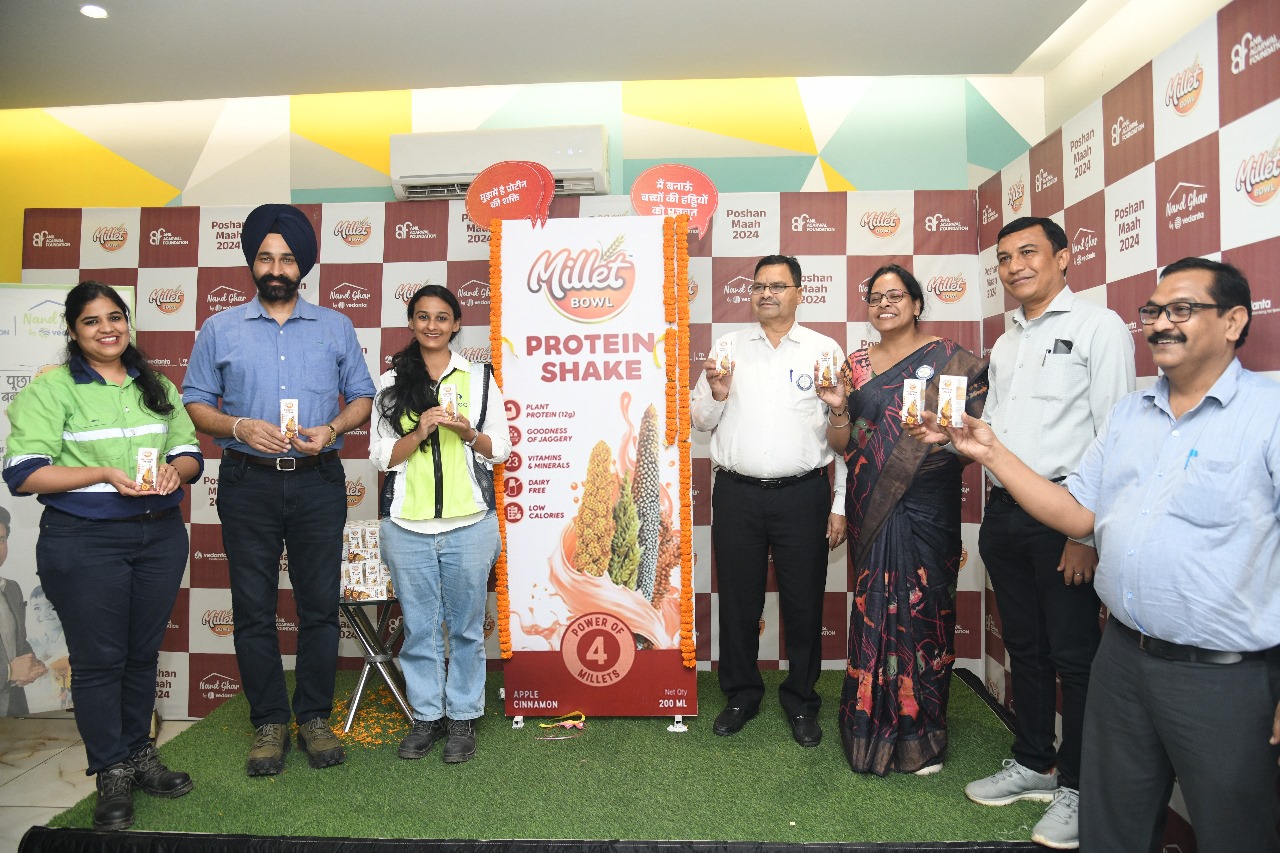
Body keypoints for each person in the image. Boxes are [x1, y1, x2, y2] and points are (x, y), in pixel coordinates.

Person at [915, 257, 1280, 853]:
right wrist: (990, 453)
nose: (1161, 323)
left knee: (1234, 833)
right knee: (1113, 830)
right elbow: (1078, 513)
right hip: (1124, 659)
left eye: (1183, 310)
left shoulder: (1269, 415)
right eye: (1154, 311)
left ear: (1235, 321)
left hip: (1224, 677)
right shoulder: (1130, 414)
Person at [182, 204, 375, 777]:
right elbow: (196, 402)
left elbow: (362, 397)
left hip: (318, 481)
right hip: (247, 482)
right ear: (251, 262)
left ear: (302, 266)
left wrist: (332, 429)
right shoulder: (219, 328)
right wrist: (239, 426)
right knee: (252, 610)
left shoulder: (336, 326)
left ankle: (313, 717)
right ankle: (268, 721)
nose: (275, 268)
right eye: (265, 258)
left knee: (319, 608)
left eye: (287, 258)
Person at [959, 216, 1134, 849]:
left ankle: (1081, 789)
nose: (1015, 267)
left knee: (1074, 657)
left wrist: (1085, 535)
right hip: (1005, 512)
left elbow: (1116, 434)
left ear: (1063, 257)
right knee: (1025, 647)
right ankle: (1034, 761)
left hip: (1066, 515)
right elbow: (1000, 433)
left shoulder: (1099, 327)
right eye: (1004, 259)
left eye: (1028, 253)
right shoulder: (1007, 340)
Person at [3, 282, 202, 831]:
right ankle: (110, 769)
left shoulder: (155, 383)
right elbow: (24, 474)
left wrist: (174, 471)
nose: (107, 329)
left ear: (127, 323)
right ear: (72, 331)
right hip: (84, 539)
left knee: (141, 654)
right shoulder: (53, 388)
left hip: (159, 536)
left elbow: (189, 452)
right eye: (92, 321)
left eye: (115, 317)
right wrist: (104, 473)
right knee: (98, 661)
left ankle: (139, 755)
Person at [817, 265, 987, 776]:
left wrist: (915, 466)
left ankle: (920, 732)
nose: (884, 304)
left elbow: (960, 443)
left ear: (916, 304)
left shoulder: (951, 360)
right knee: (872, 610)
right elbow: (843, 444)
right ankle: (867, 725)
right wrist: (838, 408)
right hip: (871, 503)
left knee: (925, 610)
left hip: (929, 506)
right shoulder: (855, 365)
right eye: (875, 297)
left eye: (895, 296)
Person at [691, 255, 847, 747]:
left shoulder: (824, 349)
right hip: (737, 495)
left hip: (803, 495)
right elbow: (700, 420)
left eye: (778, 286)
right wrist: (717, 394)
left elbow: (842, 434)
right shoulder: (728, 346)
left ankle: (801, 701)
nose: (766, 294)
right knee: (739, 601)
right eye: (759, 286)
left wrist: (839, 504)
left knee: (805, 602)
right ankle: (741, 694)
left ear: (799, 292)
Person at [369, 284, 510, 765]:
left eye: (442, 317)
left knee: (467, 628)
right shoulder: (391, 381)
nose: (432, 325)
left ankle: (463, 716)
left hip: (470, 525)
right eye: (423, 317)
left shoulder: (479, 377)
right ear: (411, 322)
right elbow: (381, 456)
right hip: (406, 527)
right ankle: (427, 716)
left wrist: (467, 433)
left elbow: (501, 449)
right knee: (419, 629)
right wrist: (420, 431)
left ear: (456, 325)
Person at [0, 505, 46, 717]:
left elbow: (18, 641)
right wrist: (8, 672)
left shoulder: (11, 589)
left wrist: (32, 662)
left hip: (14, 708)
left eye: (1, 539)